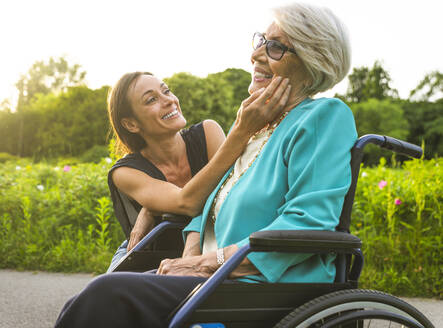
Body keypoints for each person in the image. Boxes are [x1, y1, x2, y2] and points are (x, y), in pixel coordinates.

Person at [54, 3, 357, 327]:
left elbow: (309, 222)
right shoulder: (259, 128)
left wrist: (207, 264)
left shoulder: (322, 118)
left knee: (108, 295)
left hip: (266, 286)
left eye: (275, 47)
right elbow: (209, 202)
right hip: (218, 281)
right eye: (260, 41)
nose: (256, 55)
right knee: (92, 300)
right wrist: (191, 258)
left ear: (313, 60)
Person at [106, 71, 291, 272]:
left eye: (166, 91)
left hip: (211, 250)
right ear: (131, 124)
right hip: (152, 257)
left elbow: (230, 189)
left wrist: (152, 207)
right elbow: (187, 203)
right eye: (151, 100)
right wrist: (241, 131)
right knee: (103, 290)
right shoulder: (125, 172)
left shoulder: (208, 132)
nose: (169, 100)